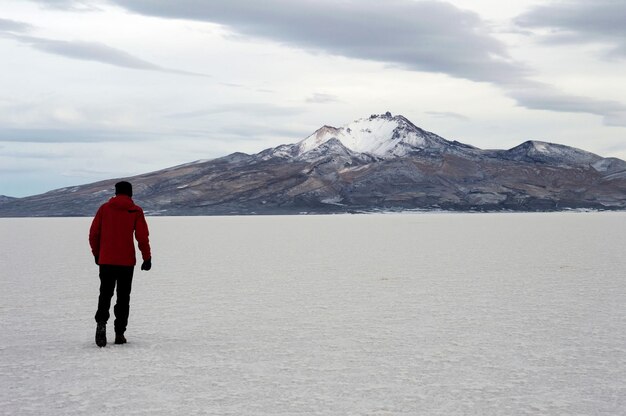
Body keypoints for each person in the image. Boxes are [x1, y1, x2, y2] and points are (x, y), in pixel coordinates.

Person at [89, 181, 152, 347]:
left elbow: (94, 234)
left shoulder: (104, 209)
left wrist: (97, 254)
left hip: (106, 261)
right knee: (123, 297)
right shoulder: (135, 210)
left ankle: (101, 324)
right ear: (130, 193)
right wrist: (147, 258)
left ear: (116, 193)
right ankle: (120, 333)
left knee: (105, 294)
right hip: (126, 262)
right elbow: (142, 237)